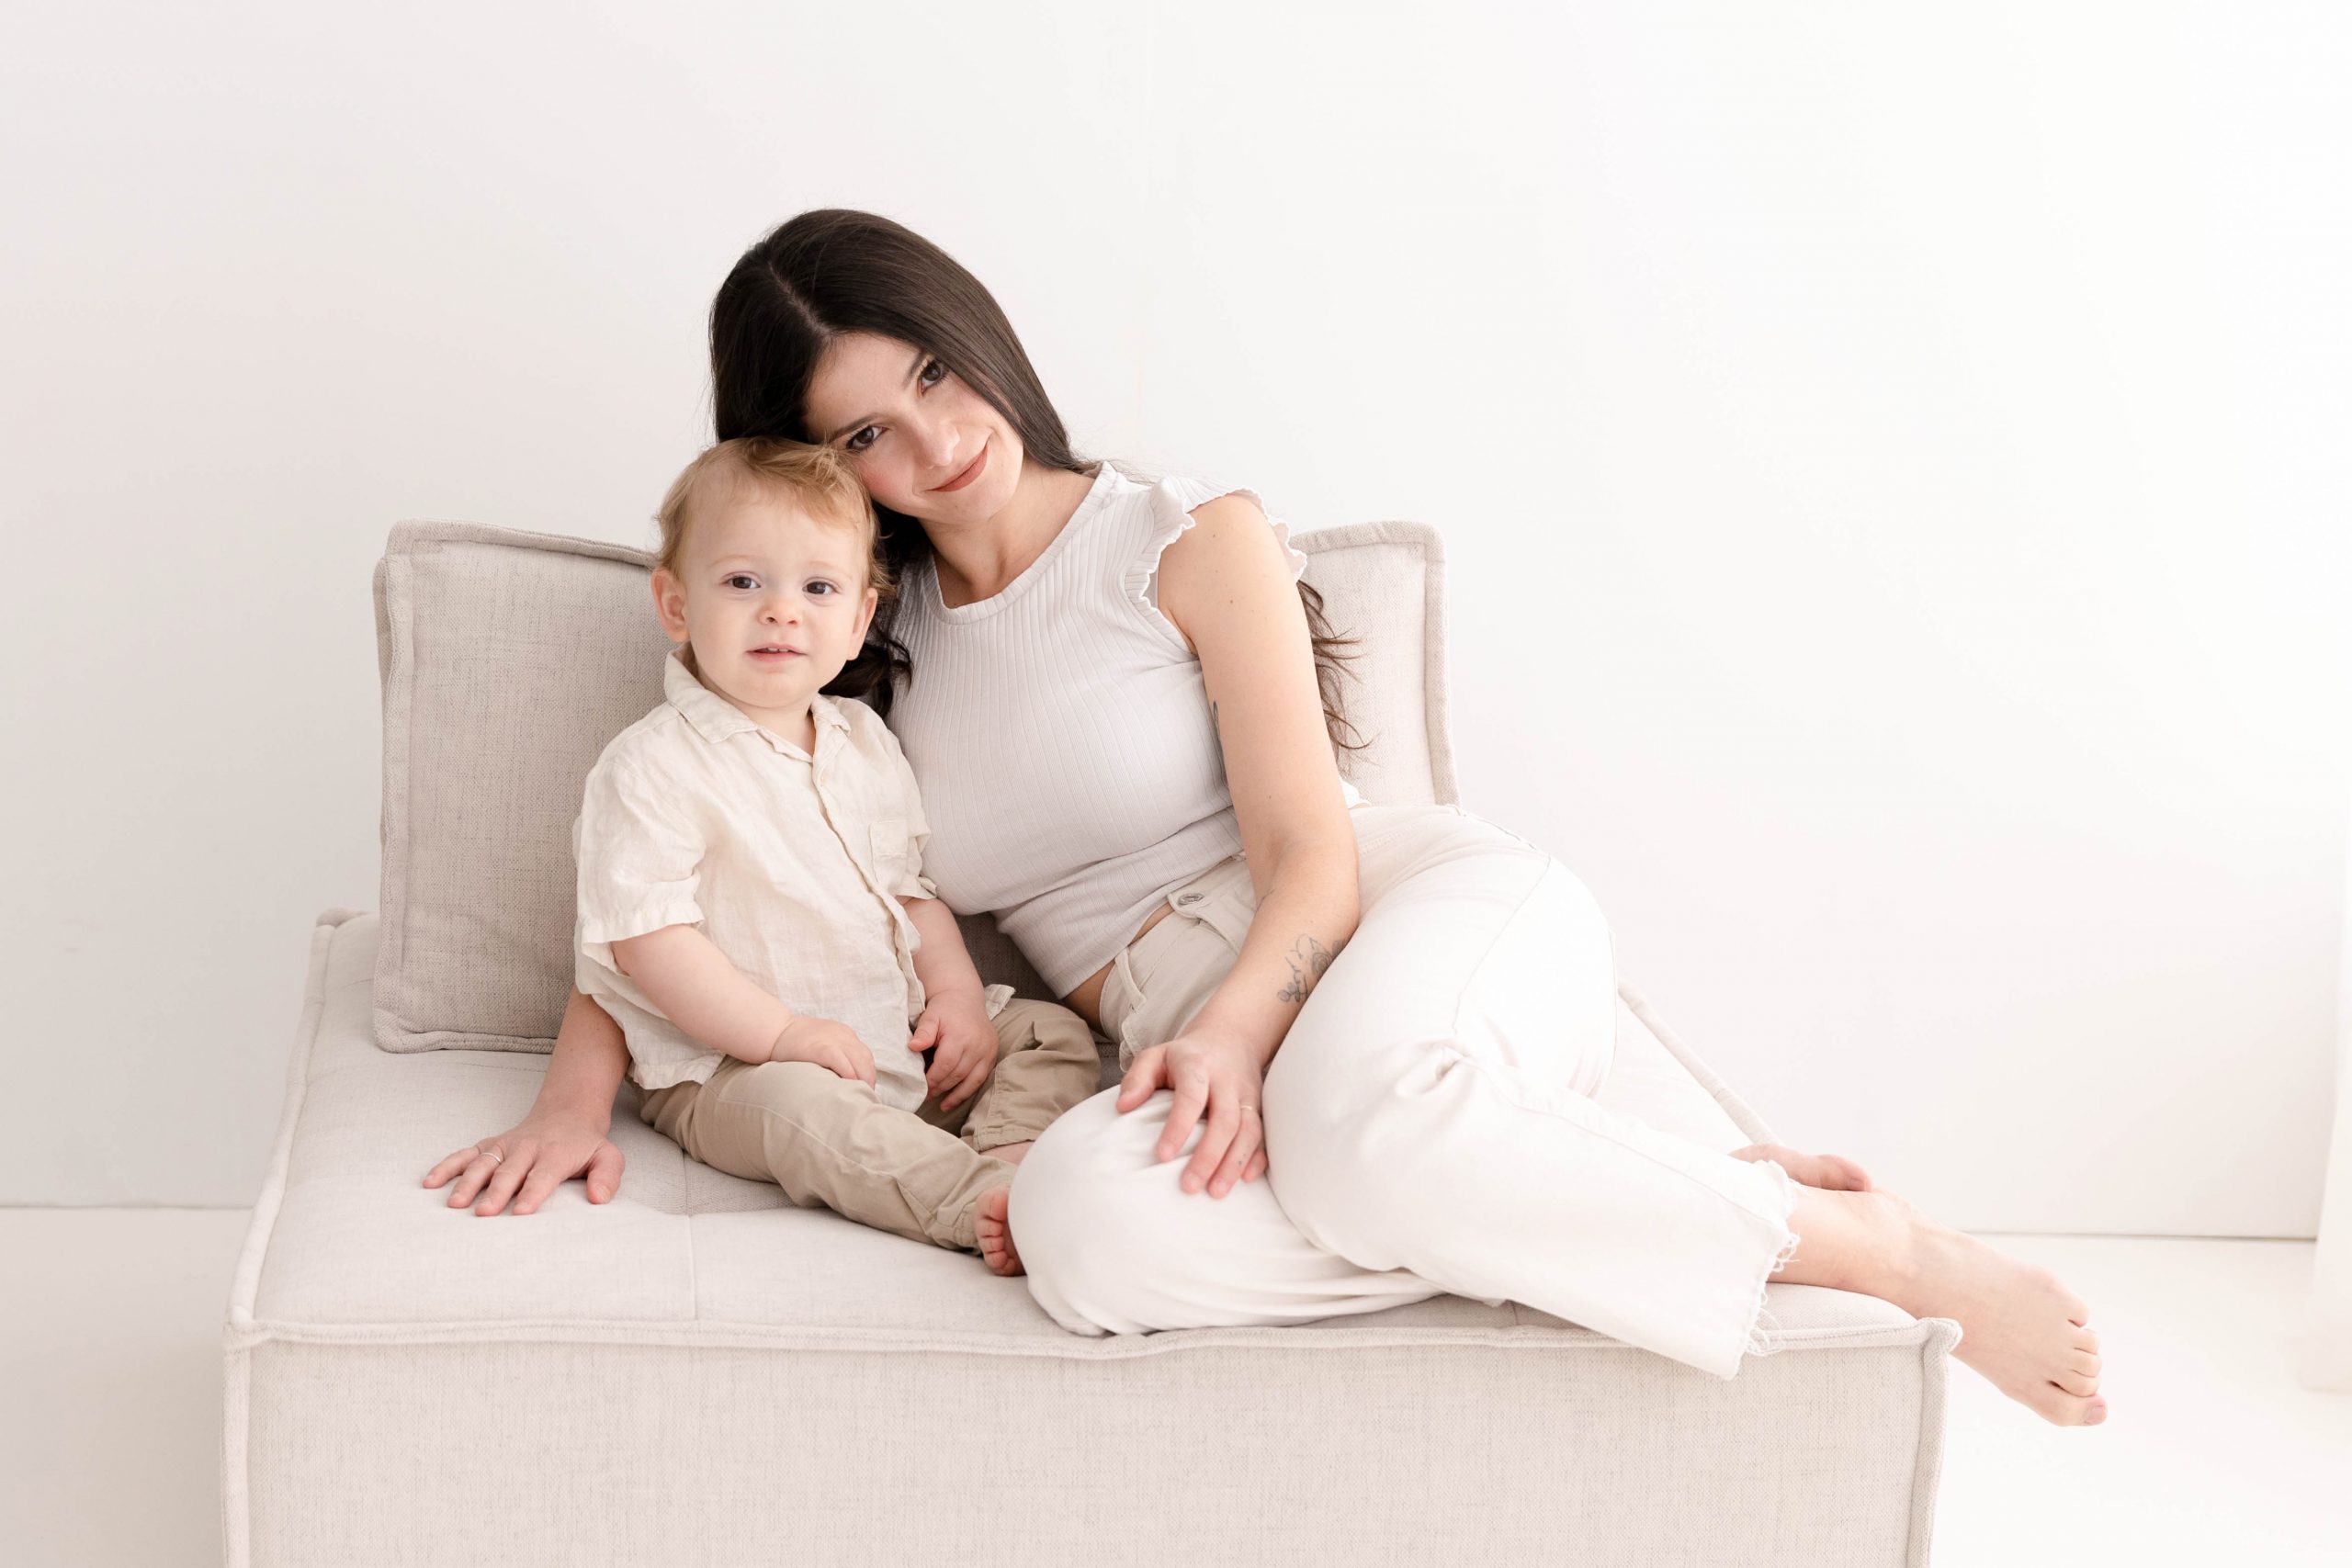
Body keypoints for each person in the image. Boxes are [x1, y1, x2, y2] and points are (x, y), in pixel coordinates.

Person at [427, 209, 2108, 1427]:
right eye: (867, 429)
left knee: (1368, 1136)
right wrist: (578, 1095)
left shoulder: (1181, 533)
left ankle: (1863, 1244)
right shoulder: (850, 639)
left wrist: (1234, 1033)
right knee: (1079, 1234)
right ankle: (1596, 1178)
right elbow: (679, 889)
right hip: (1194, 1032)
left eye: (937, 372)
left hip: (1393, 917)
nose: (937, 440)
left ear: (980, 335)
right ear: (814, 470)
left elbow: (1312, 851)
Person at [566, 434, 1101, 1272]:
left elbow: (909, 890)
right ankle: (969, 1199)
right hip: (732, 1069)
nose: (782, 611)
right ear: (675, 604)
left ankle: (1007, 1157)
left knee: (1048, 1033)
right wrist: (781, 1034)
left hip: (889, 1032)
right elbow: (649, 941)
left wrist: (958, 998)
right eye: (744, 582)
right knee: (805, 1115)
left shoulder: (865, 741)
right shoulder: (650, 766)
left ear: (857, 623)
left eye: (817, 588)